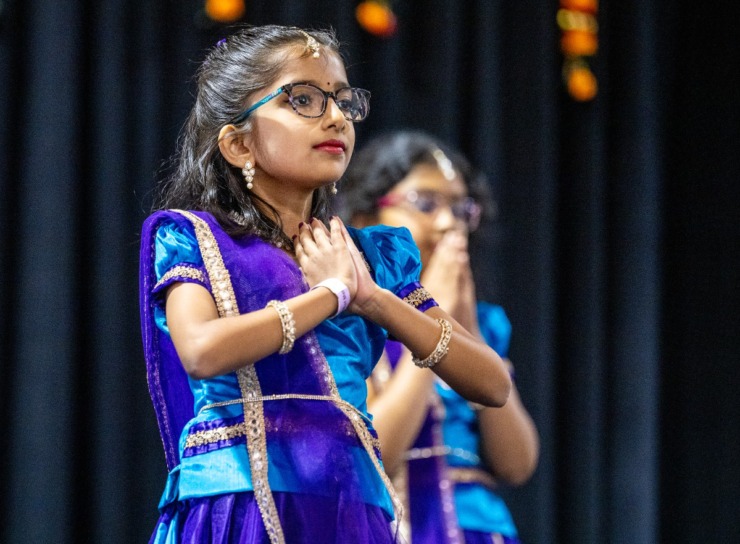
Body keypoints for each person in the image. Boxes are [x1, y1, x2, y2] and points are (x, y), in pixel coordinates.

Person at [139, 26, 512, 544]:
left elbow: (492, 383)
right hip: (238, 507)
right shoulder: (195, 238)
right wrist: (330, 296)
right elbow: (201, 351)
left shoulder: (373, 259)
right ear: (239, 142)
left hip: (349, 512)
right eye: (304, 100)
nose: (335, 116)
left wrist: (372, 298)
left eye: (341, 100)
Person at [339, 131, 539, 544]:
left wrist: (467, 333)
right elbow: (374, 456)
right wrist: (432, 332)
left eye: (461, 208)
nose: (450, 223)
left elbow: (518, 464)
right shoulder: (348, 323)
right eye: (425, 204)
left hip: (481, 531)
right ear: (364, 218)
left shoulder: (486, 323)